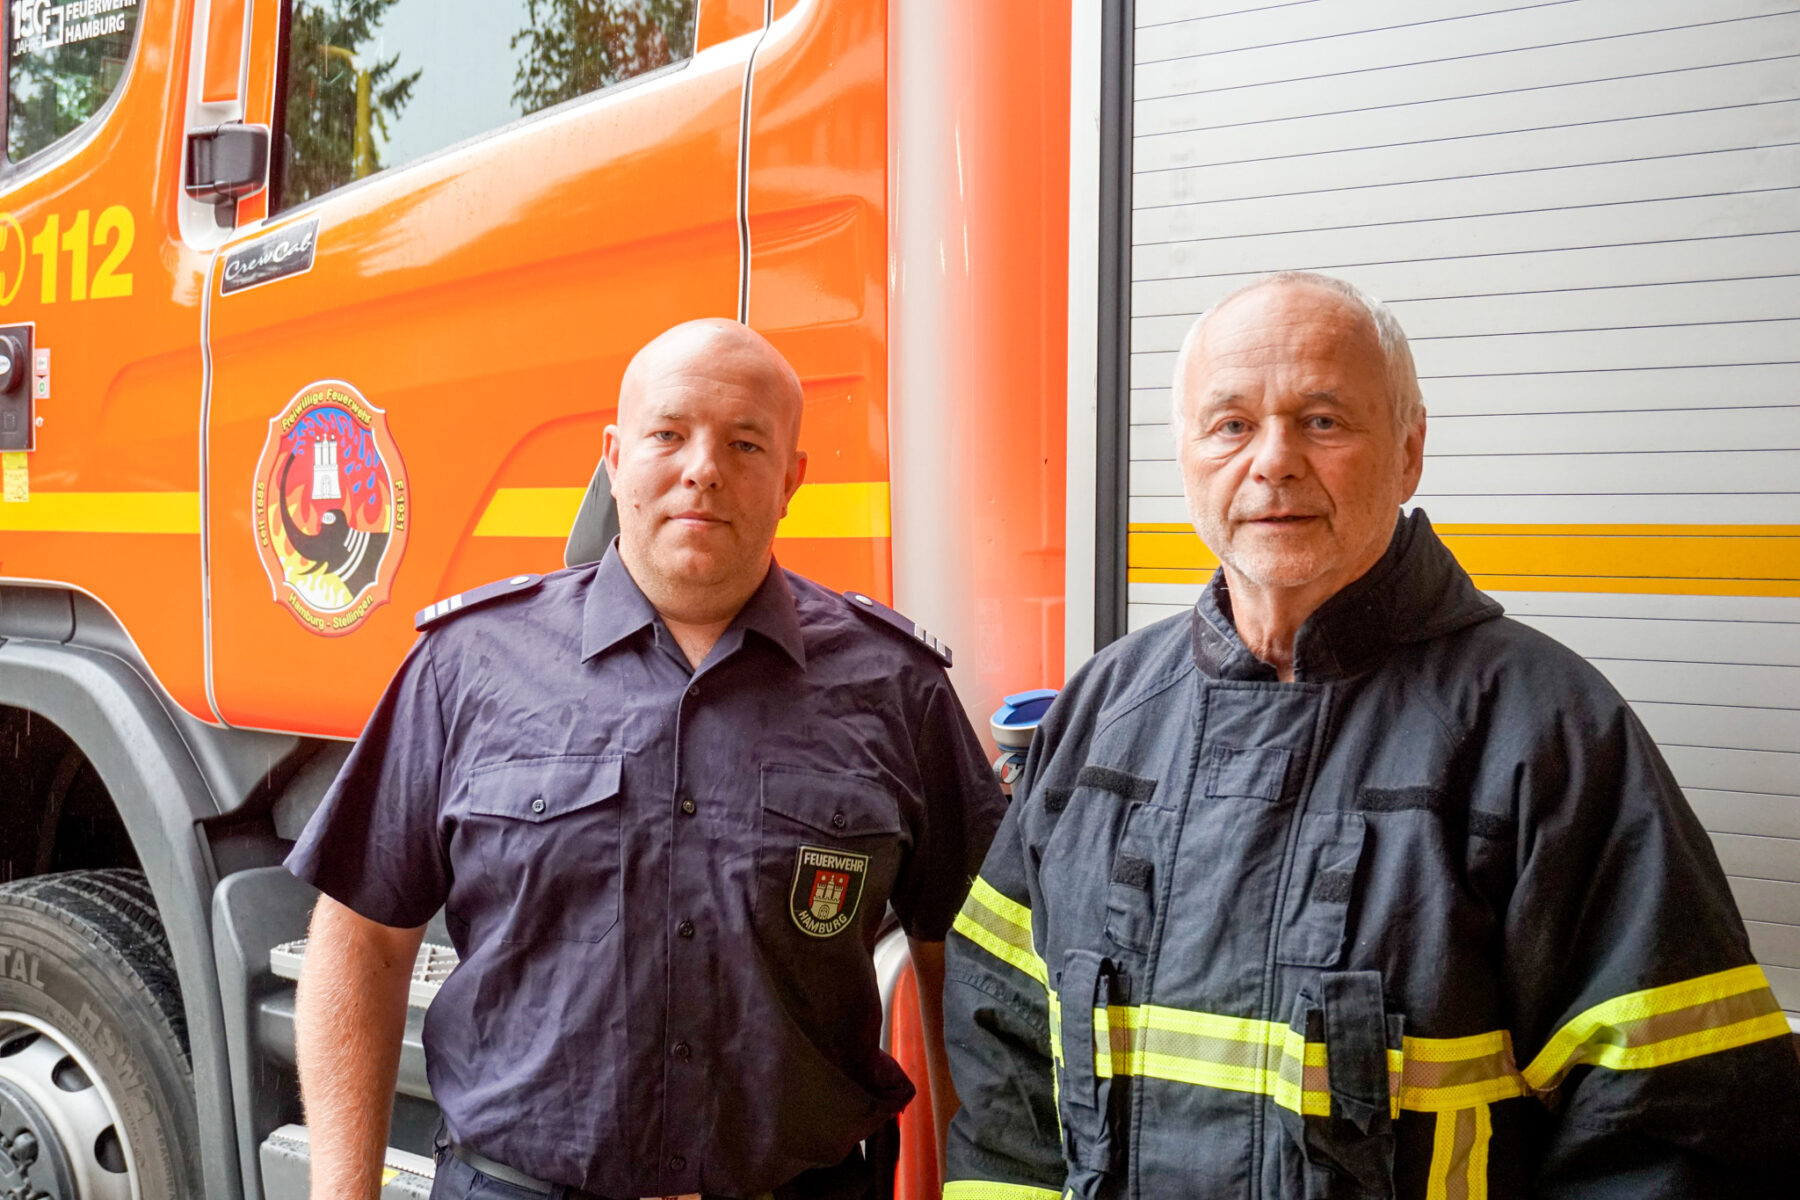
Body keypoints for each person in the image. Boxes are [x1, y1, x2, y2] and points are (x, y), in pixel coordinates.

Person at [941, 272, 1800, 1199]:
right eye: (1230, 425)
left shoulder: (1546, 736)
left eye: (1322, 421)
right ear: (1184, 455)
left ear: (1409, 451)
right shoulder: (1102, 713)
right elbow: (1007, 1060)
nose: (1271, 461)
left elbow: (1674, 1125)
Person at [288, 319, 1007, 1200]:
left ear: (792, 480)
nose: (702, 467)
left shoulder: (897, 688)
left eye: (746, 442)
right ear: (615, 456)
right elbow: (361, 940)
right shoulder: (467, 665)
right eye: (668, 435)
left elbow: (969, 973)